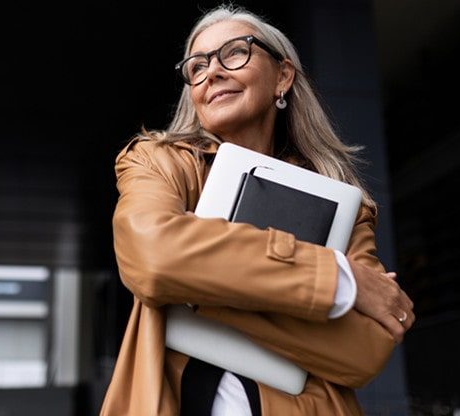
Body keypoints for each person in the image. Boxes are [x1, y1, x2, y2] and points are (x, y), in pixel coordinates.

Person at [100, 4, 415, 415]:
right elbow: (155, 256)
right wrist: (337, 279)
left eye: (234, 52)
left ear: (283, 76)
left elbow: (366, 350)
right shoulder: (155, 161)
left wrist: (199, 287)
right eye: (196, 66)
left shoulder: (344, 206)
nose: (211, 72)